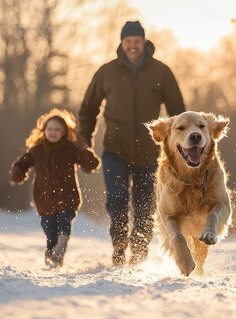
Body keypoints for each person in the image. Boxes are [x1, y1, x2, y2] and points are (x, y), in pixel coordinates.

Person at [78, 20, 186, 266]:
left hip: (150, 152)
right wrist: (85, 139)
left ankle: (138, 254)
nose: (133, 46)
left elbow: (177, 113)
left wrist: (178, 148)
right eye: (128, 42)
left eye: (137, 41)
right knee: (116, 199)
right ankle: (118, 244)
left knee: (144, 205)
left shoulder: (161, 72)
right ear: (122, 43)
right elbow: (88, 109)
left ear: (144, 42)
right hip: (115, 149)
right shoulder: (107, 72)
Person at [10, 108, 100, 267]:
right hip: (45, 200)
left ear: (65, 131)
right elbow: (22, 163)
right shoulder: (36, 150)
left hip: (68, 197)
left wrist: (84, 149)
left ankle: (61, 245)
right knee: (50, 231)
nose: (53, 132)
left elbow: (91, 164)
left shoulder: (71, 149)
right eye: (50, 129)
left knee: (64, 224)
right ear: (43, 130)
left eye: (57, 129)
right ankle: (52, 251)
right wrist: (17, 172)